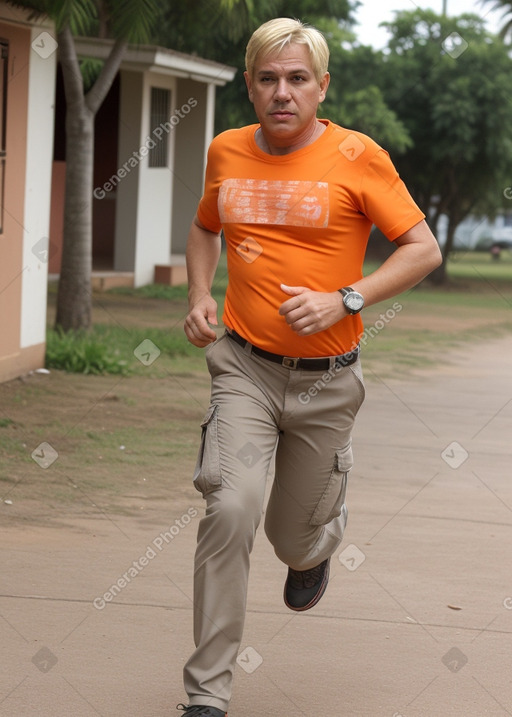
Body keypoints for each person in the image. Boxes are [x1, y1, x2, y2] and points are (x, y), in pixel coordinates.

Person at [179, 17, 442, 716]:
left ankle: (314, 543)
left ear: (322, 86)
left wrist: (345, 298)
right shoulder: (227, 152)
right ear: (249, 86)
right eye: (268, 78)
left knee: (288, 535)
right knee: (230, 507)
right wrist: (200, 293)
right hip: (244, 367)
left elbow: (423, 248)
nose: (282, 92)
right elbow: (207, 227)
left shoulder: (359, 156)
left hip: (328, 380)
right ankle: (207, 692)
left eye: (297, 78)